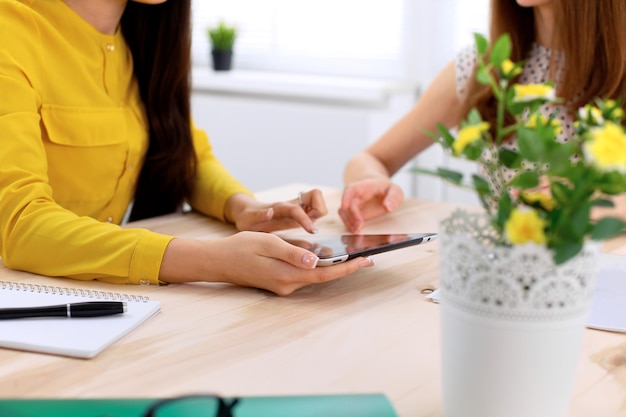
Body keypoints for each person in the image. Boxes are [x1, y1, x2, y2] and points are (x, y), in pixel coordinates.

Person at [0, 0, 374, 296]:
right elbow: (21, 225)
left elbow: (182, 152)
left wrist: (244, 208)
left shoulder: (140, 39)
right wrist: (213, 261)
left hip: (94, 294)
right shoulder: (10, 31)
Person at [339, 0, 626, 233]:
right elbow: (368, 160)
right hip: (507, 277)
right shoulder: (483, 68)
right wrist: (370, 181)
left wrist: (597, 202)